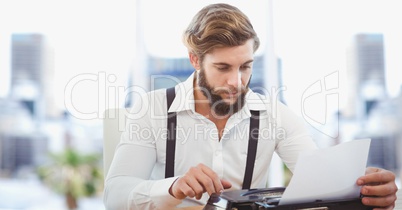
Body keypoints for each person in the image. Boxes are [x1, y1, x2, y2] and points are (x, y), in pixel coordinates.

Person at [103, 3, 398, 210]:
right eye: (223, 67)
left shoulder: (276, 115)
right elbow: (115, 196)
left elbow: (322, 184)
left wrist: (364, 190)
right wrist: (172, 187)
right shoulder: (151, 109)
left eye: (246, 66)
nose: (237, 82)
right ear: (195, 60)